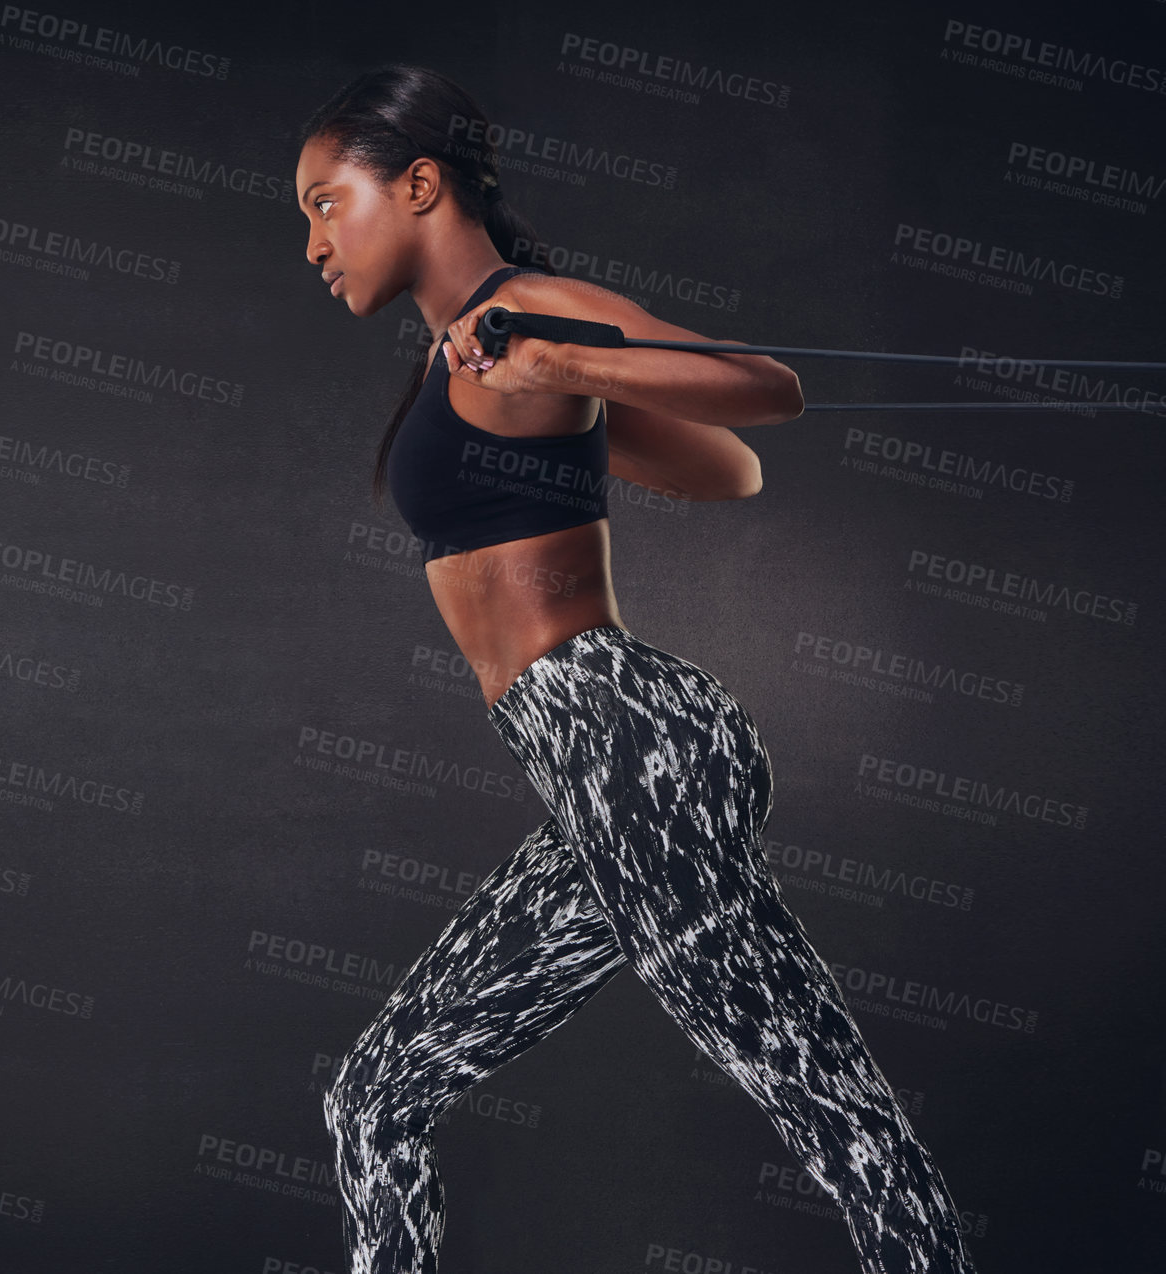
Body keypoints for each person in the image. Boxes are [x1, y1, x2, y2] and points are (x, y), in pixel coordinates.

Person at [295, 64, 978, 1274]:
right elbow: (724, 471)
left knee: (836, 1114)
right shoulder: (467, 353)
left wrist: (567, 366)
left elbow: (768, 395)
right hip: (594, 765)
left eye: (323, 202)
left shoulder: (530, 309)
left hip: (629, 743)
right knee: (375, 1096)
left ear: (416, 182)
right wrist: (569, 405)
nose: (313, 242)